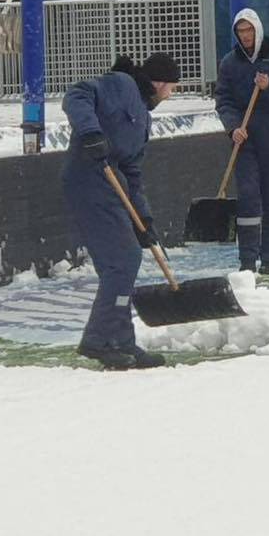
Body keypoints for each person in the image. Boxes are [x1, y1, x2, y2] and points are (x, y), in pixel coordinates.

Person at [62, 52, 181, 370]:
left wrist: (143, 219)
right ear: (158, 83)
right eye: (170, 88)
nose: (170, 95)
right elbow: (77, 94)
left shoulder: (143, 117)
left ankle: (120, 339)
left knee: (123, 261)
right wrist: (90, 133)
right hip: (90, 181)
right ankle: (100, 339)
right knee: (123, 260)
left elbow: (132, 172)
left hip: (113, 187)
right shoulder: (122, 84)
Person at [215, 8, 269, 273]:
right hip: (245, 140)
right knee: (249, 197)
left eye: (249, 30)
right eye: (240, 31)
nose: (245, 35)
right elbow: (224, 101)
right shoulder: (229, 64)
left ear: (258, 30)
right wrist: (232, 129)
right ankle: (247, 261)